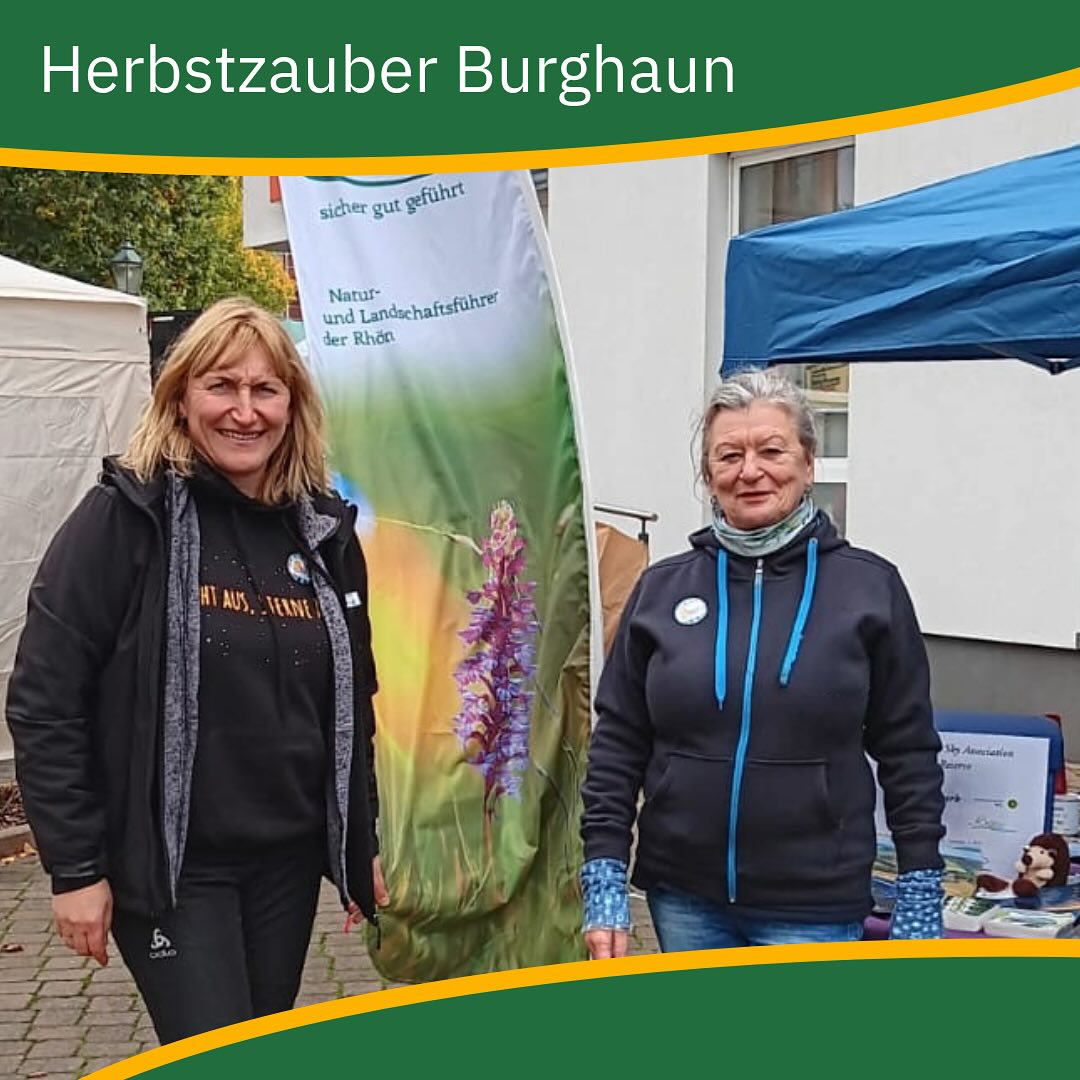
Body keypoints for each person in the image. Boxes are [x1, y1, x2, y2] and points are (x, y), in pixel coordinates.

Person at [7, 298, 388, 1041]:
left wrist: (359, 839)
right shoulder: (127, 520)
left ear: (292, 405)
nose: (244, 411)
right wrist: (76, 868)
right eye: (222, 386)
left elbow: (350, 702)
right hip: (174, 868)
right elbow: (45, 699)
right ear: (181, 397)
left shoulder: (322, 532)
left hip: (283, 863)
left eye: (265, 389)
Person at [579, 369, 945, 956]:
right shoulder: (662, 589)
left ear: (807, 463)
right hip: (683, 896)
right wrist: (603, 874)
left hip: (815, 905)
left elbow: (908, 750)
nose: (750, 471)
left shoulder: (868, 589)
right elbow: (619, 740)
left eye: (771, 450)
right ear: (708, 474)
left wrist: (920, 880)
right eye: (728, 456)